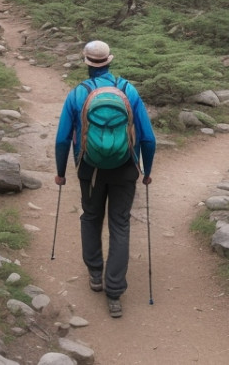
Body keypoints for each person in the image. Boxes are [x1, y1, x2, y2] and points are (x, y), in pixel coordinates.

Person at [54, 40, 156, 318]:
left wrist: (61, 172)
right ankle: (114, 291)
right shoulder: (128, 91)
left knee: (90, 216)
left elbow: (63, 139)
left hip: (90, 169)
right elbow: (148, 138)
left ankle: (95, 273)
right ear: (110, 61)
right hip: (126, 167)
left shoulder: (77, 94)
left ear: (87, 63)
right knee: (120, 224)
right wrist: (147, 171)